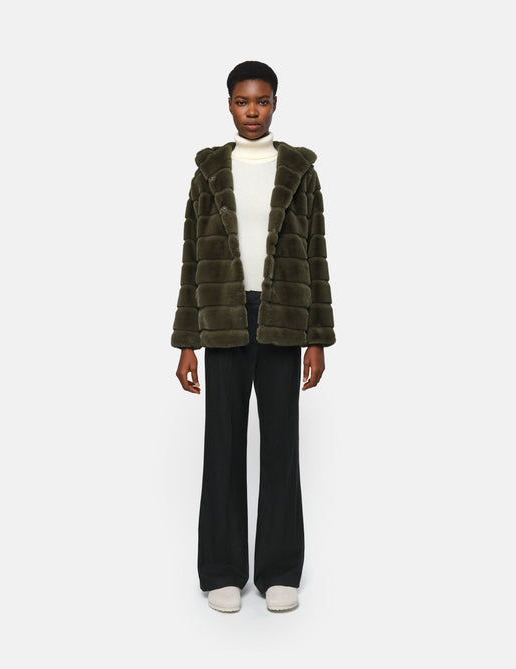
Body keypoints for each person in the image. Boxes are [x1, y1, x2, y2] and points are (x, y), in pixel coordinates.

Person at [171, 61, 336, 613]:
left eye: (262, 101)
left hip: (284, 317)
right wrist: (186, 340)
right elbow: (192, 258)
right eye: (242, 101)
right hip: (222, 318)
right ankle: (222, 571)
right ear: (229, 104)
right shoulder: (209, 172)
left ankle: (279, 571)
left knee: (282, 447)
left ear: (274, 104)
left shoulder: (299, 171)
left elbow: (316, 255)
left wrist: (317, 337)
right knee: (222, 446)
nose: (252, 111)